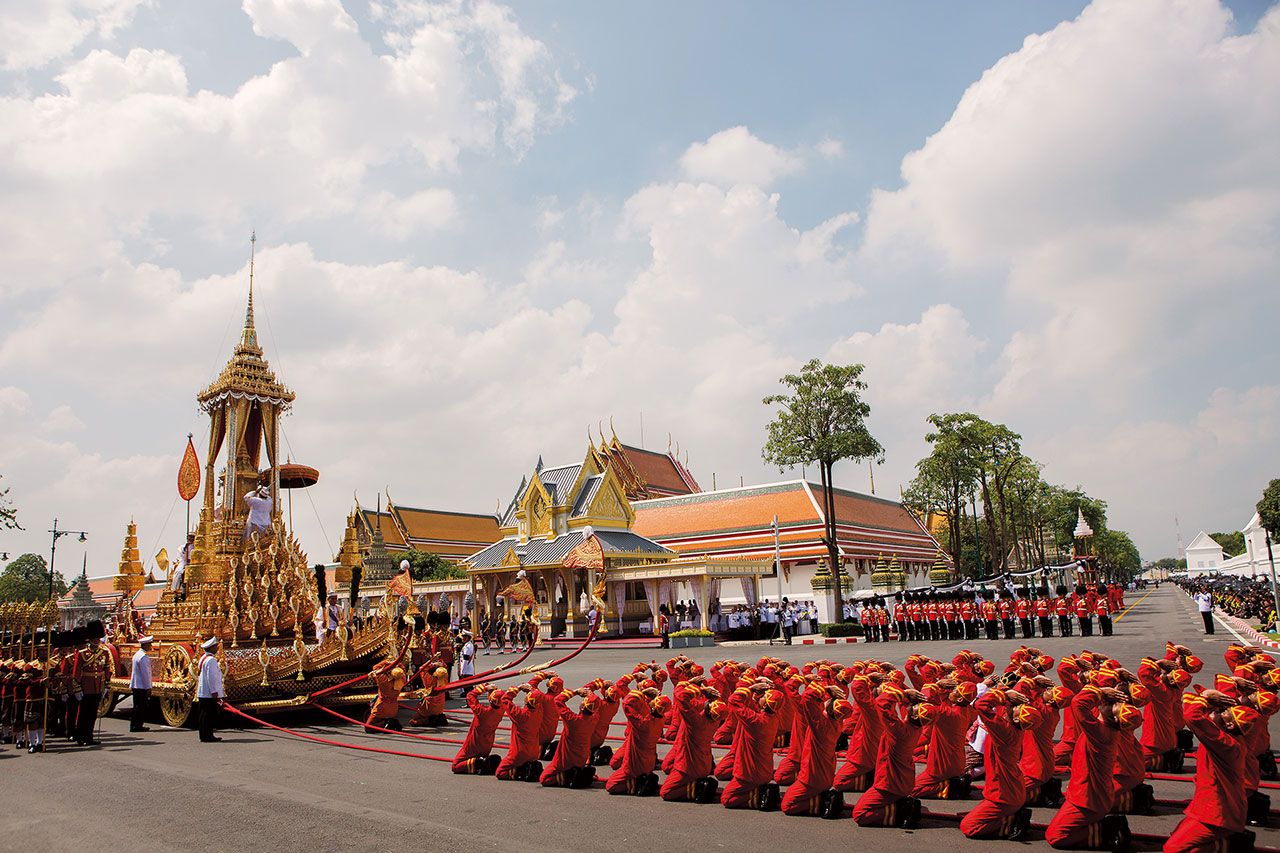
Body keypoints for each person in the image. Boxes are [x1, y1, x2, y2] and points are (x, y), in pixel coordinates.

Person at [1165, 690, 1260, 852]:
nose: (1216, 711)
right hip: (1210, 807)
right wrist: (1209, 700)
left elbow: (1191, 715)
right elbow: (1189, 704)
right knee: (1176, 838)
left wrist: (1205, 698)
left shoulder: (1225, 743)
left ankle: (1231, 846)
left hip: (1218, 813)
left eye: (1222, 711)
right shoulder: (1225, 735)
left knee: (1173, 849)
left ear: (1230, 724)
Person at [365, 659, 407, 732]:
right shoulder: (402, 680)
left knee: (368, 727)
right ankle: (389, 722)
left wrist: (387, 662)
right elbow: (403, 670)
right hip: (393, 707)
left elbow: (375, 668)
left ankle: (388, 723)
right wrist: (398, 663)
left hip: (382, 706)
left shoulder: (384, 681)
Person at [196, 636, 223, 743]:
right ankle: (208, 735)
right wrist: (215, 692)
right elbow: (212, 678)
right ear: (211, 648)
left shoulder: (203, 658)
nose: (217, 648)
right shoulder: (211, 660)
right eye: (215, 646)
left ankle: (204, 735)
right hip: (209, 692)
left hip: (203, 691)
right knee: (208, 715)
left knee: (203, 715)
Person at [129, 636, 154, 733]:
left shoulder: (137, 655)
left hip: (136, 684)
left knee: (137, 706)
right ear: (146, 645)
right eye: (149, 644)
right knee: (140, 707)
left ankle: (135, 725)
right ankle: (137, 725)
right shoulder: (143, 657)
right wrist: (148, 687)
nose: (150, 646)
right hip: (141, 685)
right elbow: (146, 674)